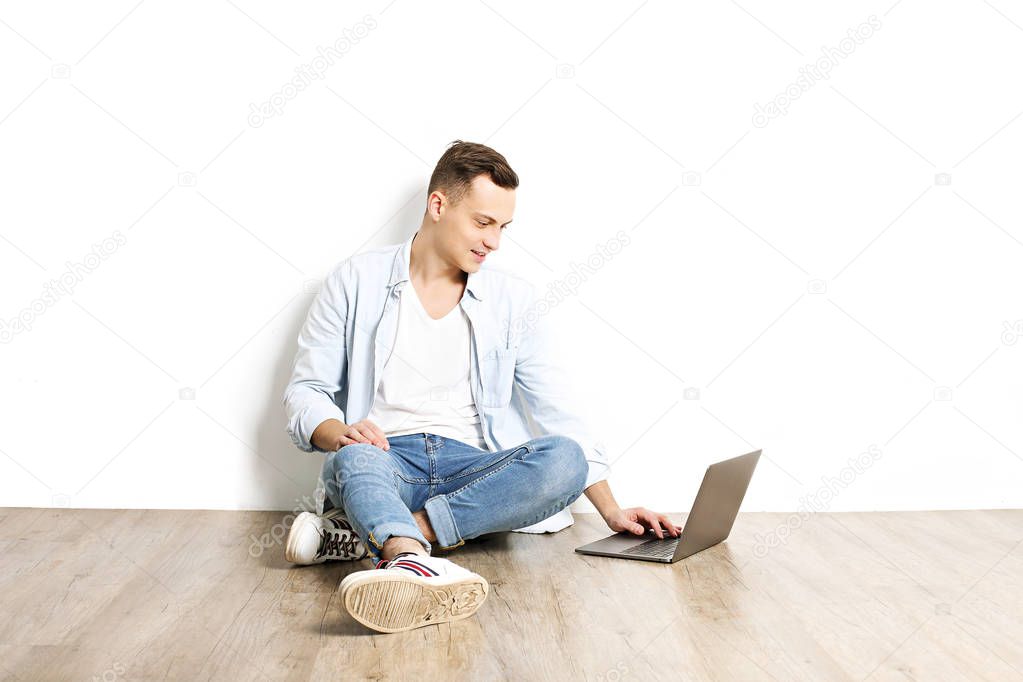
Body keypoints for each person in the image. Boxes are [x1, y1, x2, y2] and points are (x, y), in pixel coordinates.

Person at [282, 140, 680, 634]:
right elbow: (306, 391)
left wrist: (612, 510)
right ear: (438, 205)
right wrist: (336, 430)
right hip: (383, 457)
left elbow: (557, 412)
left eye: (503, 228)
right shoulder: (354, 280)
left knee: (565, 458)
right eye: (483, 222)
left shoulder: (512, 299)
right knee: (352, 459)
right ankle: (410, 553)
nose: (493, 242)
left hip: (473, 470)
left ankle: (397, 545)